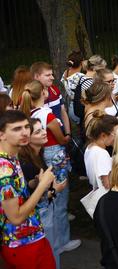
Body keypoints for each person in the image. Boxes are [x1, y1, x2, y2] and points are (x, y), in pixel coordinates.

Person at [0, 110, 59, 269]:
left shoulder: (11, 157)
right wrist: (41, 186)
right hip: (25, 245)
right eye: (16, 129)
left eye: (26, 127)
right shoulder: (5, 169)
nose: (24, 132)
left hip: (21, 244)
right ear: (2, 134)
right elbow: (16, 217)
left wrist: (33, 183)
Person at [21, 80, 81, 255]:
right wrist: (67, 136)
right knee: (59, 198)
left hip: (46, 155)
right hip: (55, 154)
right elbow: (60, 137)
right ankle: (62, 240)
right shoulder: (47, 114)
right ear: (44, 94)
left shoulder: (29, 113)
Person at [19, 119, 76, 269]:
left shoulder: (38, 155)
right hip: (41, 215)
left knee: (53, 252)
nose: (44, 132)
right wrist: (52, 189)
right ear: (27, 139)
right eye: (37, 132)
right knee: (51, 254)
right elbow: (32, 197)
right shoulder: (26, 163)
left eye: (42, 129)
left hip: (45, 211)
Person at [84, 114, 118, 192]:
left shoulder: (89, 148)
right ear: (103, 135)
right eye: (115, 134)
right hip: (106, 196)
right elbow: (107, 184)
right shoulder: (102, 153)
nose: (117, 137)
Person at [60, 51, 85, 125]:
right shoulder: (81, 76)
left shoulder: (66, 72)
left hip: (72, 106)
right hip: (80, 107)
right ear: (81, 62)